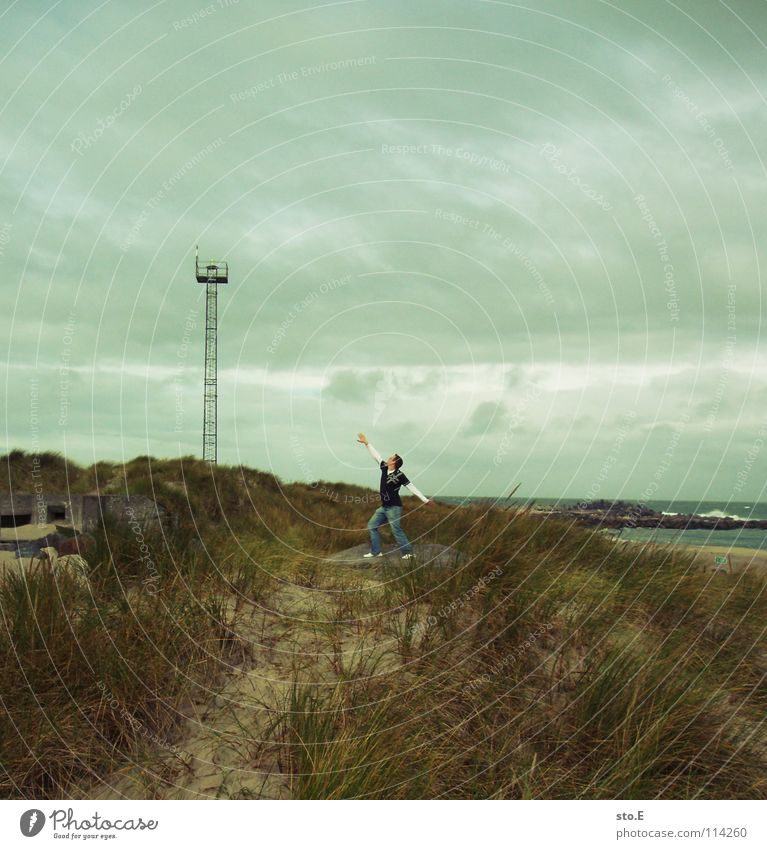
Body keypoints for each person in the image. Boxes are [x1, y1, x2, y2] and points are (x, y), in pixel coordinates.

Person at [357, 432, 433, 559]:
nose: (388, 458)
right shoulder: (384, 467)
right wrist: (367, 444)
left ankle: (408, 553)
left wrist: (425, 500)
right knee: (372, 526)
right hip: (384, 507)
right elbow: (376, 456)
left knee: (396, 530)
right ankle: (376, 552)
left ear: (394, 462)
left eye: (391, 457)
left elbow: (411, 487)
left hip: (394, 507)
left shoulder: (400, 475)